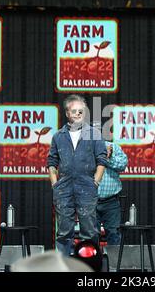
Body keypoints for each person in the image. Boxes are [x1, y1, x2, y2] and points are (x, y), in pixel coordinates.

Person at [47, 94, 107, 256]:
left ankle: (89, 266)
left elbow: (102, 159)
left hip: (87, 187)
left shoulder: (94, 134)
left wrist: (95, 182)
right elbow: (52, 162)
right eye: (75, 111)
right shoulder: (58, 136)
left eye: (81, 111)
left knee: (90, 231)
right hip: (64, 189)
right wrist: (55, 184)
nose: (79, 114)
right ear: (67, 113)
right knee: (64, 232)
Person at [96, 141, 128, 245]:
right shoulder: (85, 147)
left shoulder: (113, 147)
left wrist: (107, 158)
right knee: (90, 235)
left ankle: (113, 261)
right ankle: (91, 261)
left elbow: (123, 165)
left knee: (114, 234)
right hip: (90, 201)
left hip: (111, 201)